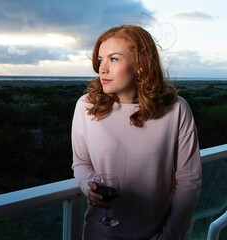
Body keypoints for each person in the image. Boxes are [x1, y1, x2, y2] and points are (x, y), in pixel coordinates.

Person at [71, 25, 202, 240]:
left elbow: (189, 181)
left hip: (157, 235)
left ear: (141, 65)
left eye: (113, 59)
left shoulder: (177, 109)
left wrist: (170, 235)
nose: (102, 69)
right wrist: (89, 187)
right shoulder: (86, 106)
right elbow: (81, 163)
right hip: (99, 233)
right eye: (100, 60)